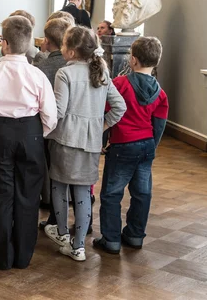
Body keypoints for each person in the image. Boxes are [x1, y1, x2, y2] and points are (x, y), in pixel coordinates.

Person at [0, 16, 57, 270]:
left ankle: (3, 256)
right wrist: (36, 133)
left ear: (4, 42)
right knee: (28, 196)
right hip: (30, 133)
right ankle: (23, 256)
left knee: (2, 195)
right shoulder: (36, 74)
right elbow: (50, 116)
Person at [45, 27, 126, 262]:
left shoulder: (64, 73)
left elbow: (58, 111)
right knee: (82, 193)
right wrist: (100, 126)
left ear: (70, 51)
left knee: (59, 187)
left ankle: (61, 234)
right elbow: (120, 107)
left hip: (65, 140)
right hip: (90, 143)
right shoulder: (102, 72)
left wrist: (41, 129)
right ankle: (79, 246)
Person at [94, 37, 168, 254]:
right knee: (142, 194)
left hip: (122, 145)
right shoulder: (160, 93)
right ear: (156, 61)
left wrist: (102, 141)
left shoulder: (120, 84)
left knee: (111, 194)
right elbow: (159, 124)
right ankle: (135, 235)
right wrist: (152, 146)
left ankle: (111, 239)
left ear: (133, 60)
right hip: (146, 146)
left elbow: (106, 112)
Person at [36, 17, 73, 228]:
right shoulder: (77, 65)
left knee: (53, 172)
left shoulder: (42, 66)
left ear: (47, 42)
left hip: (49, 128)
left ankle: (55, 217)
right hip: (75, 127)